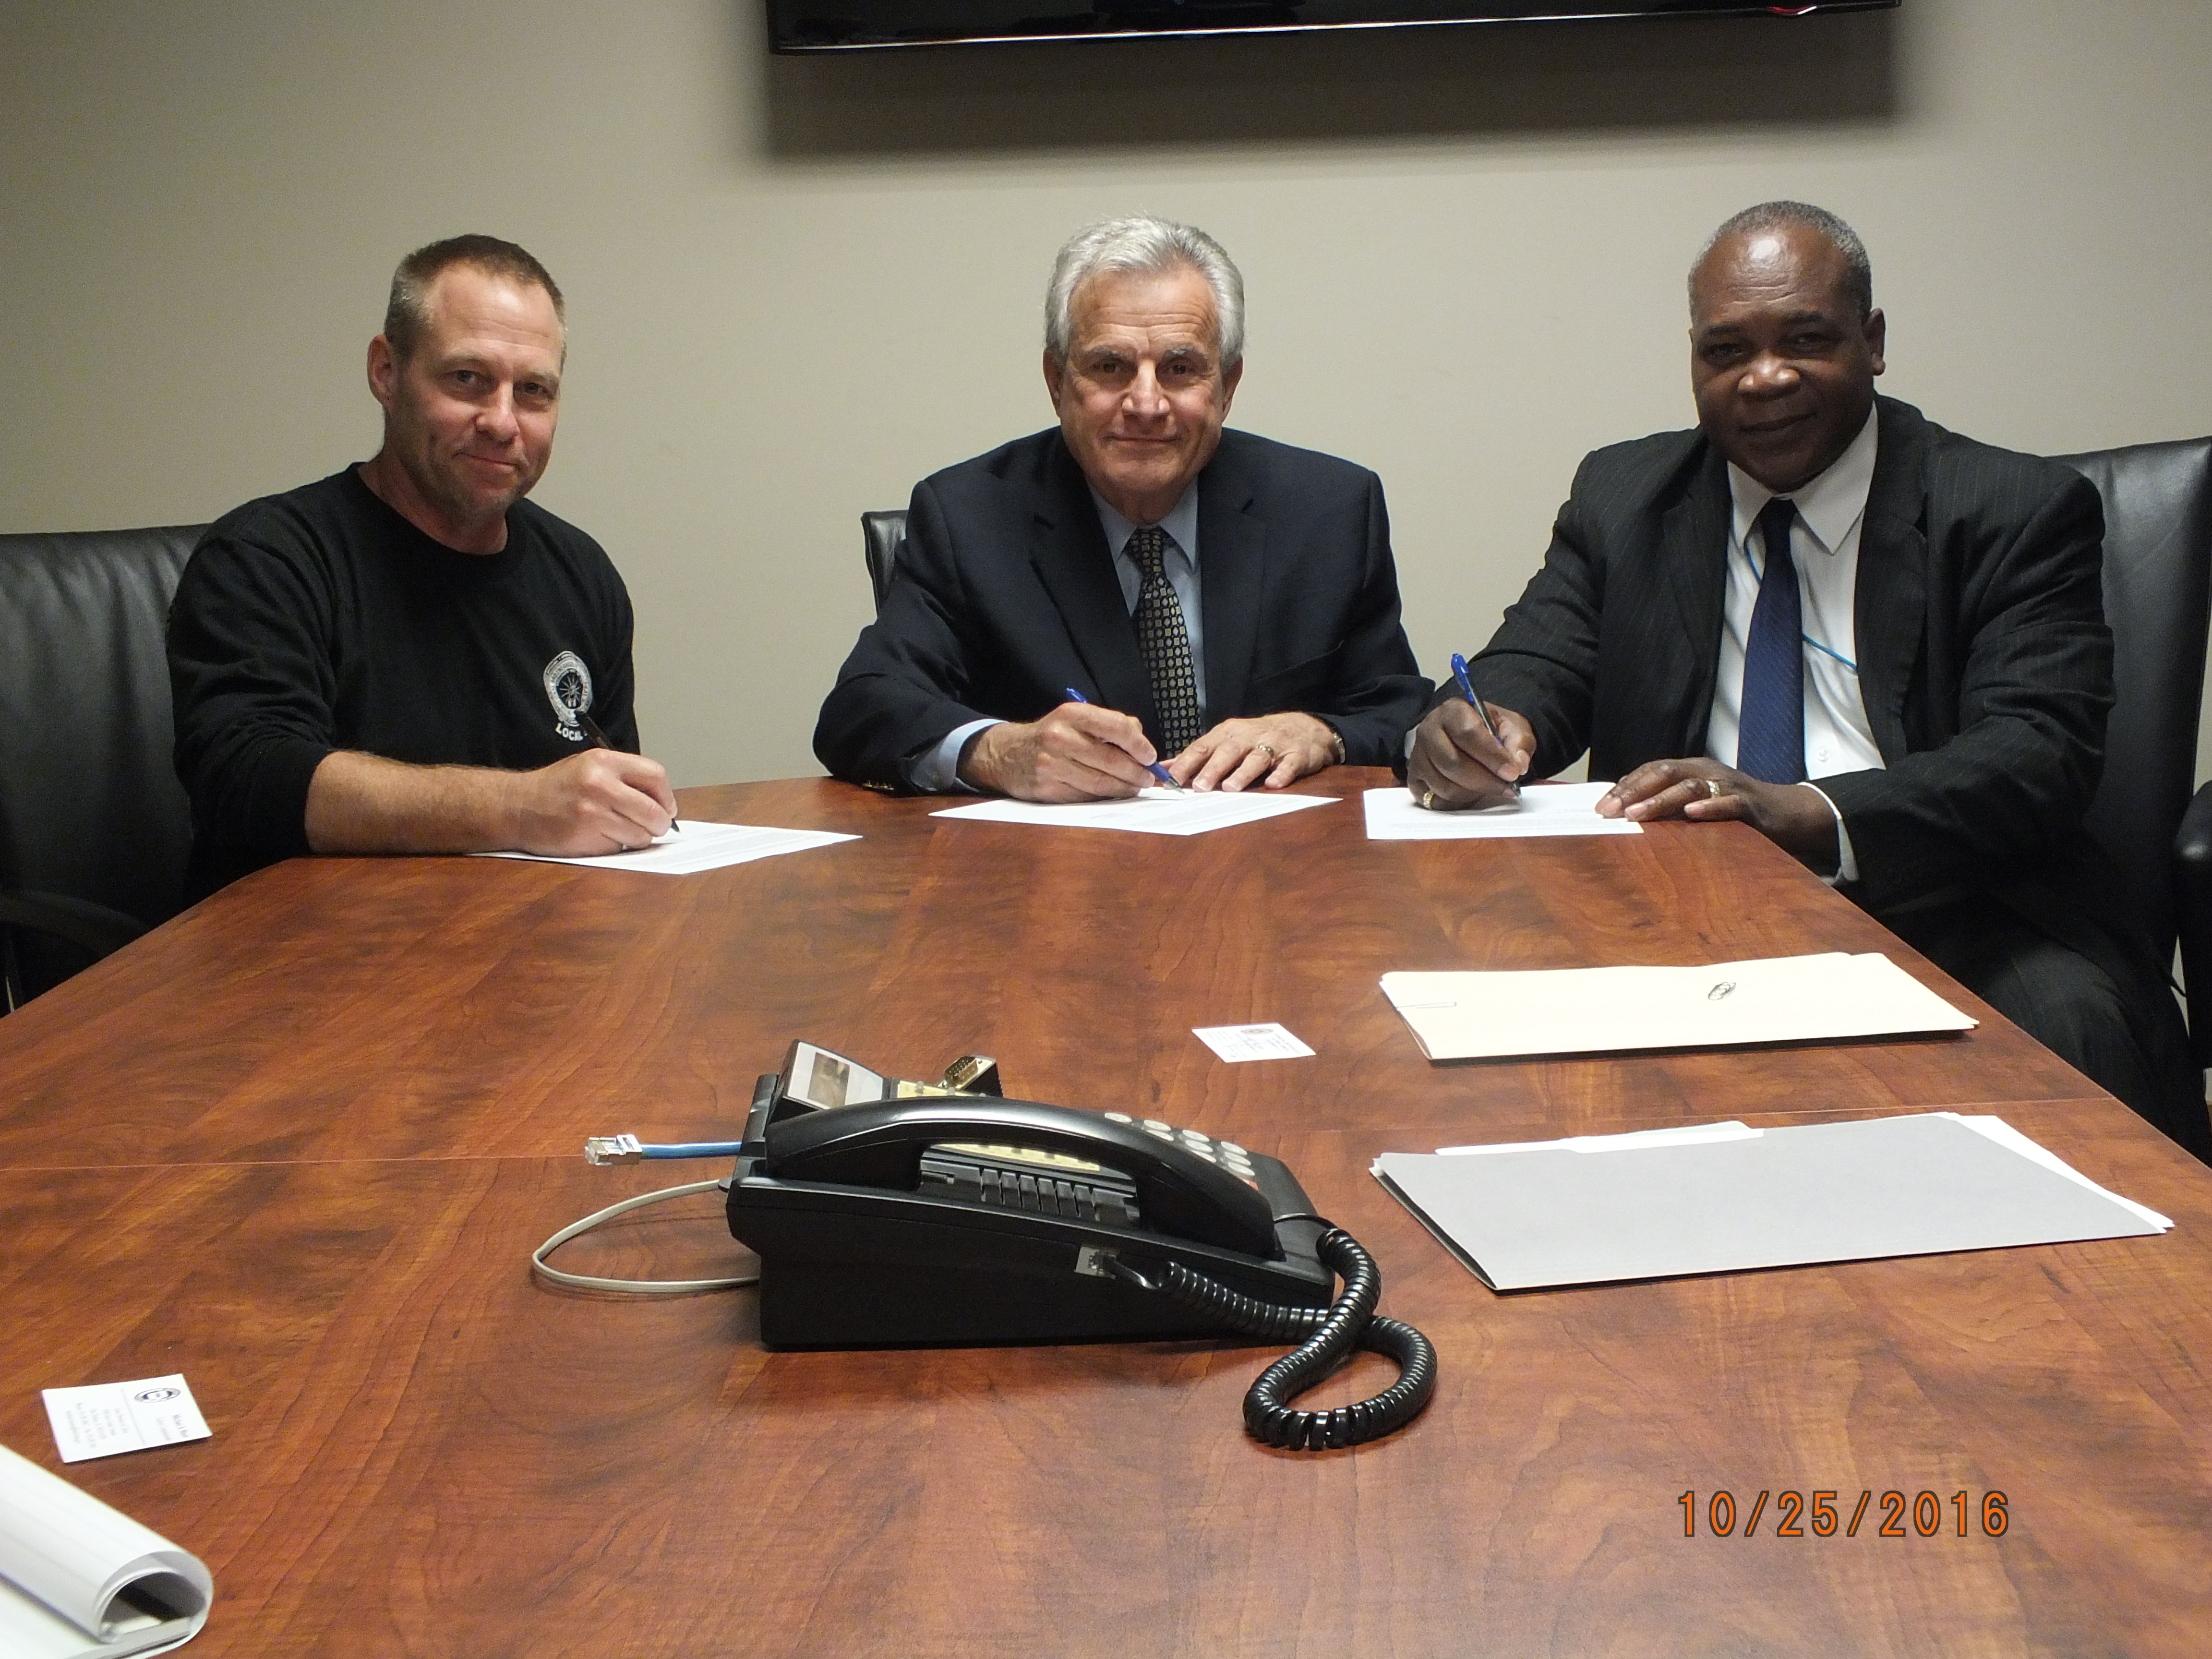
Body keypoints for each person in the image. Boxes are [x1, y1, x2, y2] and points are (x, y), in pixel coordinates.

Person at [1407, 201, 2210, 1159]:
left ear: (1872, 342)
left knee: (2074, 1046)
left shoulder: (2012, 510)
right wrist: (1483, 721)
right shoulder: (1626, 498)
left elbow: (2035, 757)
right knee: (1457, 1051)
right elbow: (1538, 659)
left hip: (1962, 912)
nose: (1766, 377)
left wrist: (1806, 812)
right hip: (1674, 915)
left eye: (1806, 340)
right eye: (1726, 350)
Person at [814, 215, 1430, 800]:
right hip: (1051, 884)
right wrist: (1000, 752)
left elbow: (1402, 713)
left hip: (1273, 877)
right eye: (1109, 367)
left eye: (1180, 368)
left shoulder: (1328, 511)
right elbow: (861, 709)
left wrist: (1319, 732)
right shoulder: (969, 518)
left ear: (1228, 385)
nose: (1146, 403)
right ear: (1057, 381)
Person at [169, 234, 676, 896]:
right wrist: (522, 808)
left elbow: (606, 808)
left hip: (530, 959)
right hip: (306, 965)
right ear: (386, 371)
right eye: (468, 379)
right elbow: (250, 780)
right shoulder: (269, 557)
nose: (502, 421)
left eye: (533, 392)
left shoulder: (581, 572)